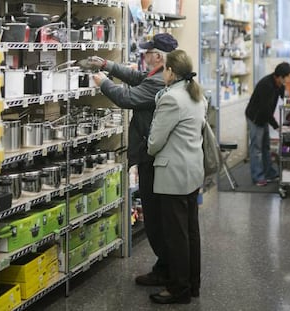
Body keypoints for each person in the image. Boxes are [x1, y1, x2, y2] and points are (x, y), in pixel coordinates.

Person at [80, 33, 178, 286]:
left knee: (155, 219)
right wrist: (107, 65)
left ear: (158, 57)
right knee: (157, 216)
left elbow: (128, 98)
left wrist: (103, 82)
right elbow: (137, 79)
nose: (144, 55)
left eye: (148, 52)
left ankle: (166, 269)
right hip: (155, 155)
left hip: (151, 156)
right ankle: (165, 266)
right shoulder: (160, 74)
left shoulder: (158, 82)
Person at [147, 49, 206, 304]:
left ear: (170, 71)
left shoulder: (171, 99)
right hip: (192, 171)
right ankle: (192, 284)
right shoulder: (196, 95)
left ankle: (178, 289)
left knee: (176, 236)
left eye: (164, 70)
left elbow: (154, 142)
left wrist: (148, 143)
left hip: (173, 175)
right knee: (191, 232)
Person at [245, 62, 290, 186]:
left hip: (264, 117)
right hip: (255, 117)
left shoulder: (279, 84)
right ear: (279, 76)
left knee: (265, 146)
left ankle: (269, 173)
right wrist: (276, 126)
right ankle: (258, 177)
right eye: (286, 79)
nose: (287, 82)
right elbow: (264, 109)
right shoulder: (266, 85)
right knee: (256, 149)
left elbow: (284, 98)